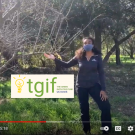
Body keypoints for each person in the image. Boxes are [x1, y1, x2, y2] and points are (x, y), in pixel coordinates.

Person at [44, 37, 112, 135]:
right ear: (83, 45)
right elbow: (67, 65)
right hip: (81, 87)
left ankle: (106, 131)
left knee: (105, 106)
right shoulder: (79, 57)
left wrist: (103, 89)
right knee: (84, 110)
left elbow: (101, 73)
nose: (87, 44)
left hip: (94, 85)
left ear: (92, 44)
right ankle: (86, 131)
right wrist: (54, 58)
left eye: (89, 42)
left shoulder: (97, 57)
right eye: (85, 43)